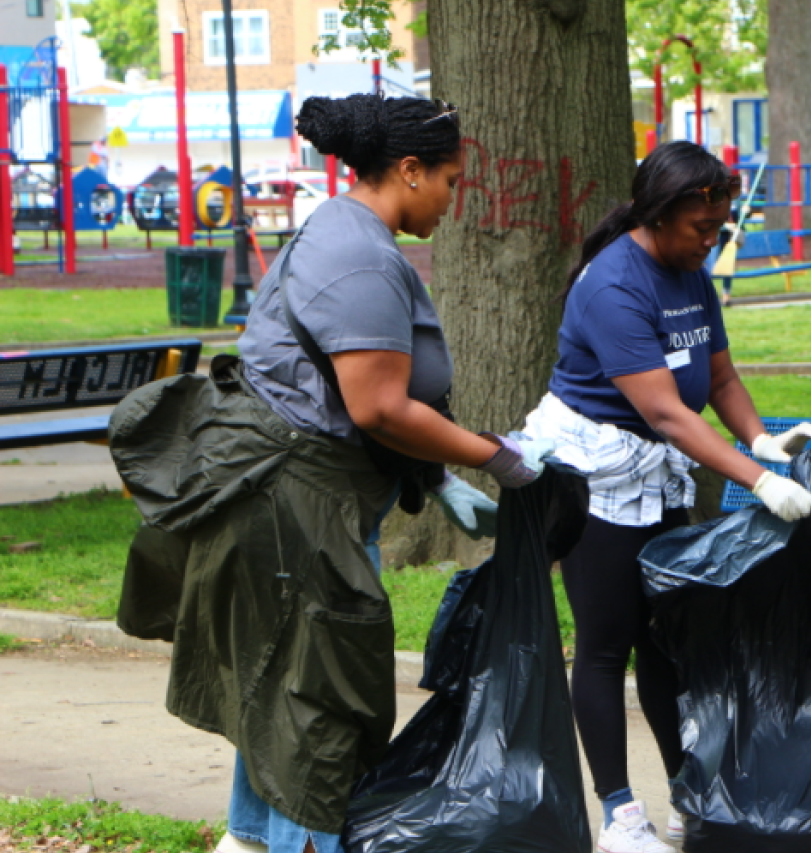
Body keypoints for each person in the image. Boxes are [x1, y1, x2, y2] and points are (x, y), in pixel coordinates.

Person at [112, 94, 550, 853]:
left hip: (307, 504)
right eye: (448, 179)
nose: (453, 197)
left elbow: (340, 397)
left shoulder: (343, 232)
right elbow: (378, 406)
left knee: (282, 679)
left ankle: (250, 839)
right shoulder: (359, 255)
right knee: (320, 698)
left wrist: (436, 480)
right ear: (408, 171)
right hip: (295, 514)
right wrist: (493, 458)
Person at [523, 140, 811, 853]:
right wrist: (759, 484)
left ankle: (691, 796)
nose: (710, 242)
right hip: (597, 477)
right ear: (660, 215)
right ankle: (619, 817)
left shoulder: (691, 273)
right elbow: (663, 410)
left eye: (719, 229)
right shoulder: (613, 286)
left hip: (657, 468)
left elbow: (718, 380)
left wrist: (760, 441)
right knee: (606, 644)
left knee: (667, 645)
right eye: (701, 229)